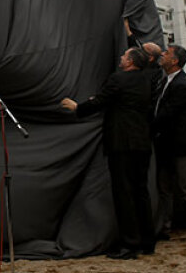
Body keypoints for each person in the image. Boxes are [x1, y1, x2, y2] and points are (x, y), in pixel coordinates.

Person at [61, 47, 156, 259]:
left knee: (124, 194)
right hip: (141, 142)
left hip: (122, 143)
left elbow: (100, 102)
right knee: (141, 192)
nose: (121, 57)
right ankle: (147, 242)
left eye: (124, 55)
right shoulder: (146, 80)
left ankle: (129, 245)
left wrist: (78, 108)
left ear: (130, 62)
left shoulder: (119, 79)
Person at [153, 45, 186, 244]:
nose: (162, 55)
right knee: (165, 189)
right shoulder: (166, 81)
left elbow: (167, 115)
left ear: (174, 61)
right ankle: (165, 227)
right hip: (167, 146)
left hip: (181, 147)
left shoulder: (181, 85)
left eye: (166, 53)